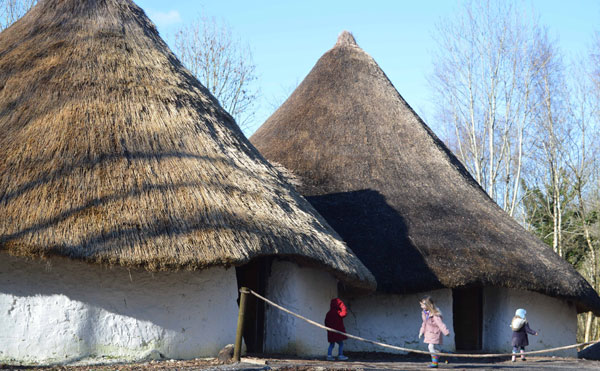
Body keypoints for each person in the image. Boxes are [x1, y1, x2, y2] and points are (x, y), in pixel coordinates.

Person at [419, 296, 450, 368]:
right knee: (433, 348)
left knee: (430, 347)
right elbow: (424, 323)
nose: (421, 306)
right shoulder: (424, 313)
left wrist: (446, 332)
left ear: (428, 305)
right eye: (421, 305)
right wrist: (421, 332)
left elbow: (440, 324)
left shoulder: (435, 315)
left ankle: (435, 363)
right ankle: (443, 354)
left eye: (422, 305)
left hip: (435, 333)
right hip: (428, 333)